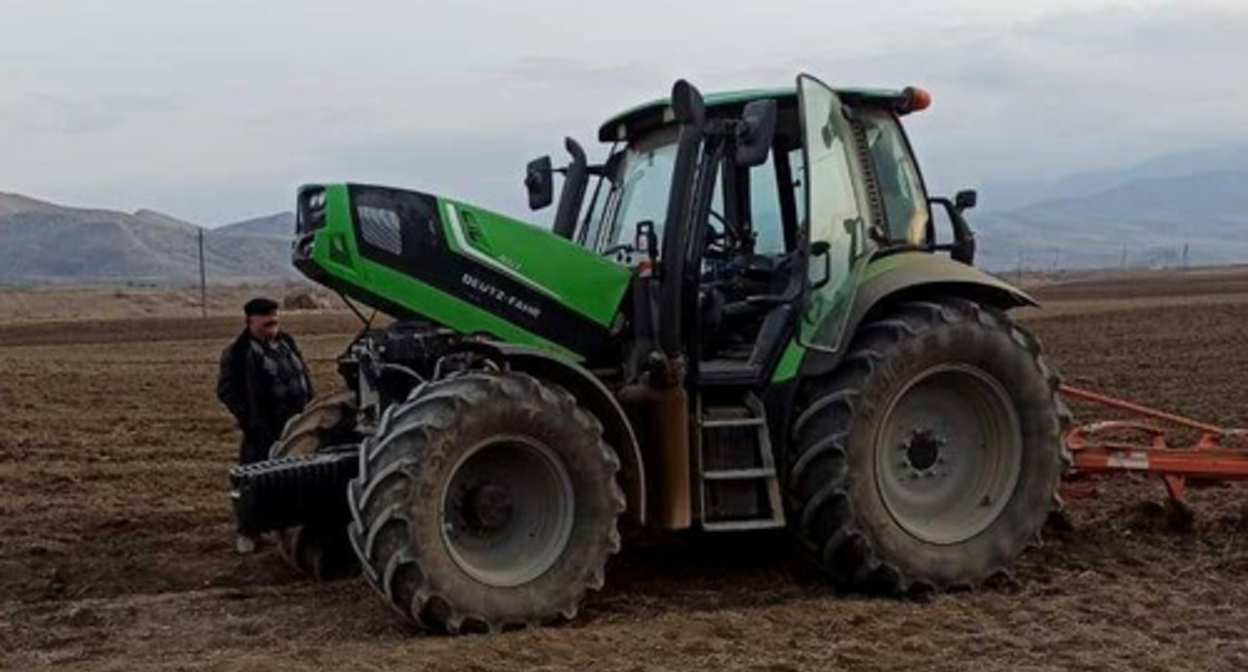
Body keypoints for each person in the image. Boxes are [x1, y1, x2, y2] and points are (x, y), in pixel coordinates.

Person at [217, 297, 313, 554]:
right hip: (262, 429)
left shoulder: (286, 343)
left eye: (274, 315)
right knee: (253, 480)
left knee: (293, 477)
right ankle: (248, 532)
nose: (272, 320)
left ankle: (288, 528)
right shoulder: (238, 353)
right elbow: (227, 390)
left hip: (294, 425)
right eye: (265, 316)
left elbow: (302, 375)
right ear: (250, 320)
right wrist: (250, 419)